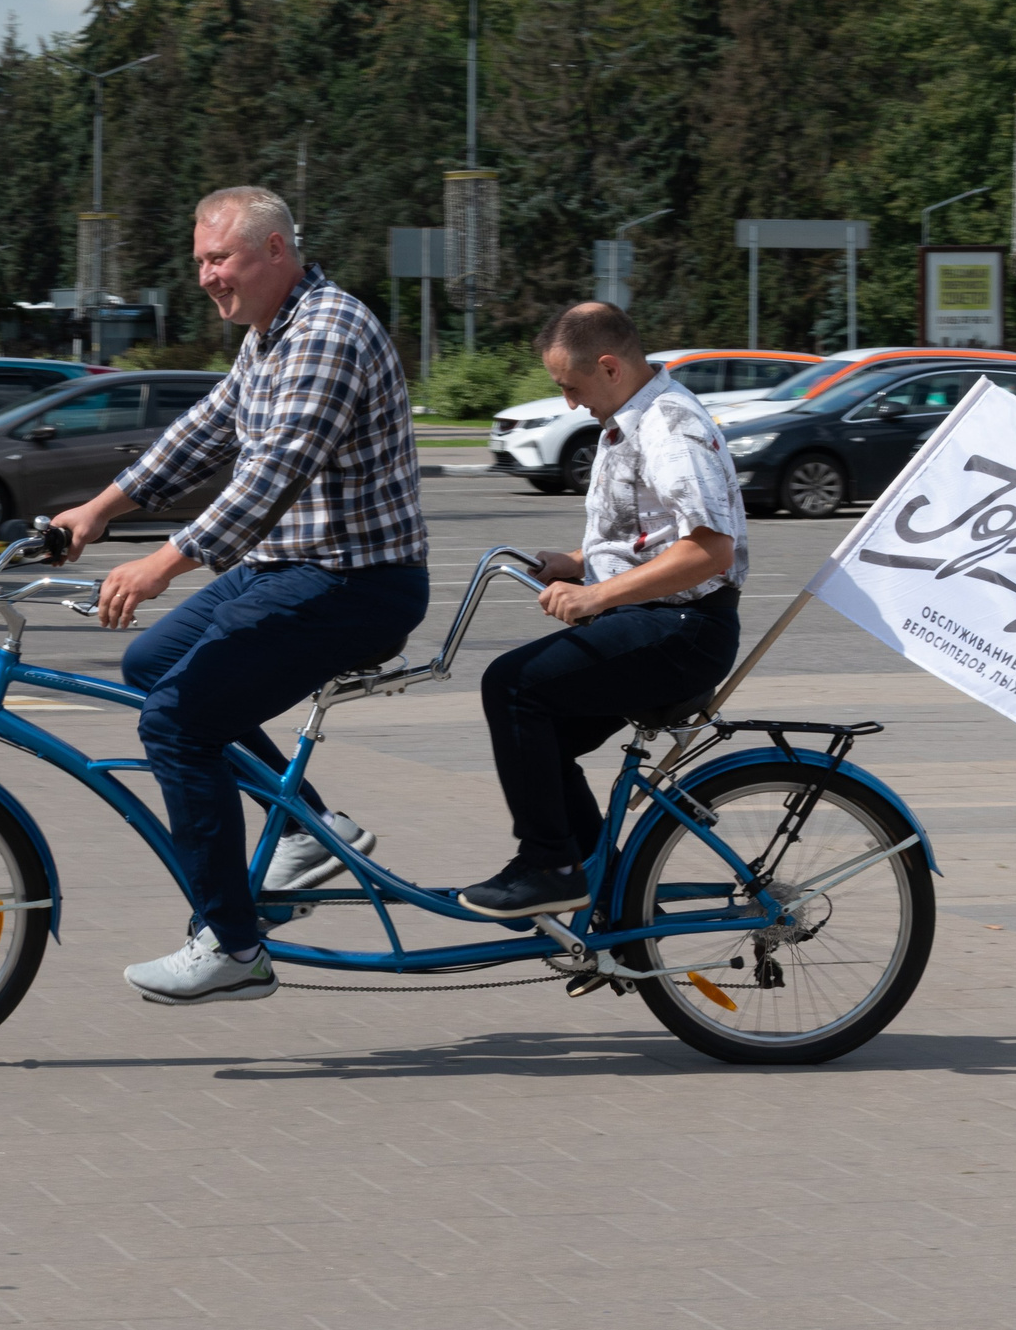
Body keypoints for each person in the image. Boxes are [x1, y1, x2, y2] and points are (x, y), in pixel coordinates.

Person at [50, 186, 429, 1006]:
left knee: (177, 722)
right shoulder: (268, 336)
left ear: (275, 253)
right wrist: (97, 509)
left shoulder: (329, 331)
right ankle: (309, 828)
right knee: (152, 662)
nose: (205, 277)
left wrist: (164, 562)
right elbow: (204, 433)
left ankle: (231, 943)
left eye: (218, 259)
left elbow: (272, 475)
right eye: (199, 262)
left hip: (356, 581)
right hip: (287, 569)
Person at [456, 300, 748, 919]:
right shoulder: (630, 417)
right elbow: (653, 537)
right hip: (654, 618)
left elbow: (709, 551)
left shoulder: (668, 426)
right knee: (539, 735)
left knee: (511, 688)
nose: (569, 403)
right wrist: (578, 560)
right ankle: (604, 887)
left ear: (610, 367)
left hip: (684, 629)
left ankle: (551, 866)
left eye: (571, 386)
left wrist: (593, 596)